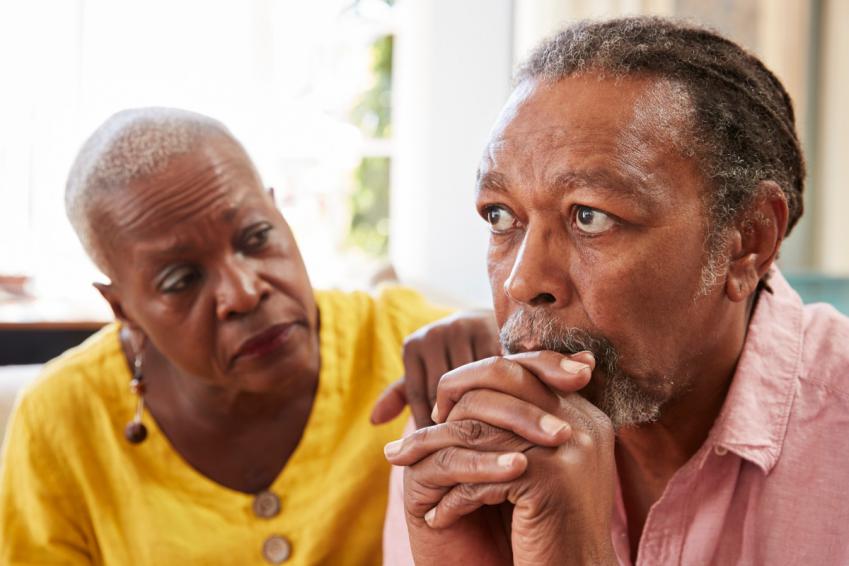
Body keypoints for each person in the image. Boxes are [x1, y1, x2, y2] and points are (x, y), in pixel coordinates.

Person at [381, 16, 849, 565]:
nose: (523, 281)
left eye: (589, 217)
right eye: (501, 215)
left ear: (747, 241)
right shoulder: (472, 441)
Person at [0, 107, 499, 565]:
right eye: (182, 280)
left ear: (279, 213)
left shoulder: (407, 340)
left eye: (256, 238)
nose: (242, 293)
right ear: (123, 308)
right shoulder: (60, 420)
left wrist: (508, 345)